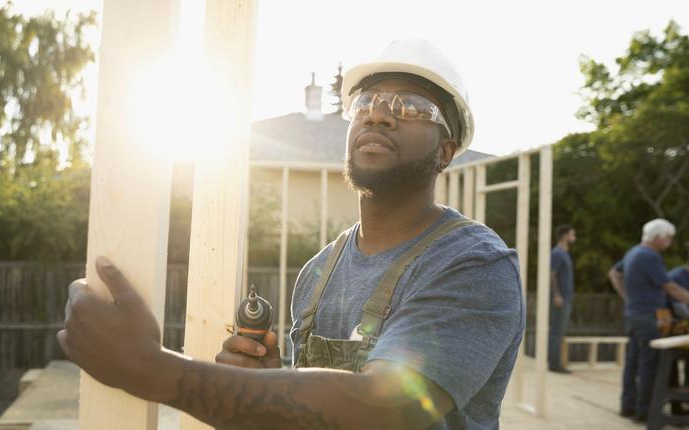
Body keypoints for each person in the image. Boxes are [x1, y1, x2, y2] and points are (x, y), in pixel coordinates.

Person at [58, 40, 525, 429]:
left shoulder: (473, 264)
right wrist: (264, 381)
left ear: (445, 152)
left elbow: (384, 408)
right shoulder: (319, 270)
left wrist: (152, 371)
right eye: (365, 102)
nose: (378, 115)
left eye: (410, 107)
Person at [608, 219, 689, 423]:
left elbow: (614, 273)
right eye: (668, 238)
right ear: (659, 237)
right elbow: (669, 286)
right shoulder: (650, 256)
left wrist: (628, 298)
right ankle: (645, 412)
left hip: (633, 314)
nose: (669, 242)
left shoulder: (633, 252)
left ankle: (628, 407)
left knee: (632, 363)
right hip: (648, 317)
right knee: (649, 365)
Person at [548, 225, 576, 373]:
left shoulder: (565, 253)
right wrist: (556, 295)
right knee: (557, 331)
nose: (574, 237)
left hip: (567, 297)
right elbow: (551, 273)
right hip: (561, 298)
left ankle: (556, 362)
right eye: (572, 234)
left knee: (560, 330)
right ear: (565, 236)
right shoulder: (557, 253)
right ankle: (554, 364)